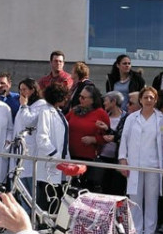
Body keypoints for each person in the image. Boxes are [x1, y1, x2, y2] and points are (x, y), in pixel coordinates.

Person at [118, 87, 163, 234]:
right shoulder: (132, 118)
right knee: (135, 201)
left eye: (152, 98)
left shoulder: (160, 118)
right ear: (140, 100)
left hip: (153, 165)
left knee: (152, 200)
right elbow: (124, 139)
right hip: (135, 165)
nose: (148, 100)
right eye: (146, 97)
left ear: (156, 100)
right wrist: (122, 159)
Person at [33, 83, 70, 213]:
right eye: (64, 96)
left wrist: (66, 159)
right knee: (47, 196)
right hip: (50, 162)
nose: (66, 99)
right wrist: (56, 155)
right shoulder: (45, 111)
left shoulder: (59, 113)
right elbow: (42, 138)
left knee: (56, 196)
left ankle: (50, 226)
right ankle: (43, 226)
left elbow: (64, 141)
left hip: (59, 162)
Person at [65, 84, 110, 192]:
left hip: (88, 159)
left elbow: (108, 137)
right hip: (70, 156)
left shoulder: (101, 114)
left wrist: (94, 139)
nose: (80, 99)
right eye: (80, 96)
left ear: (92, 100)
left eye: (83, 97)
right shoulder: (75, 111)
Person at [13, 78, 47, 196]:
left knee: (31, 189)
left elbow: (29, 122)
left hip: (32, 151)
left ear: (33, 90)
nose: (22, 93)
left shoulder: (40, 105)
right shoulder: (25, 105)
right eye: (20, 90)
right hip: (21, 150)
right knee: (22, 188)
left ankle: (32, 214)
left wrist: (24, 106)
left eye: (25, 89)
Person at [97, 90, 128, 195]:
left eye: (106, 101)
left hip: (117, 160)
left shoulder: (126, 118)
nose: (104, 103)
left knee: (115, 191)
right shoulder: (103, 116)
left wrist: (108, 130)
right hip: (102, 157)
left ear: (113, 101)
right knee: (102, 189)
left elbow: (123, 137)